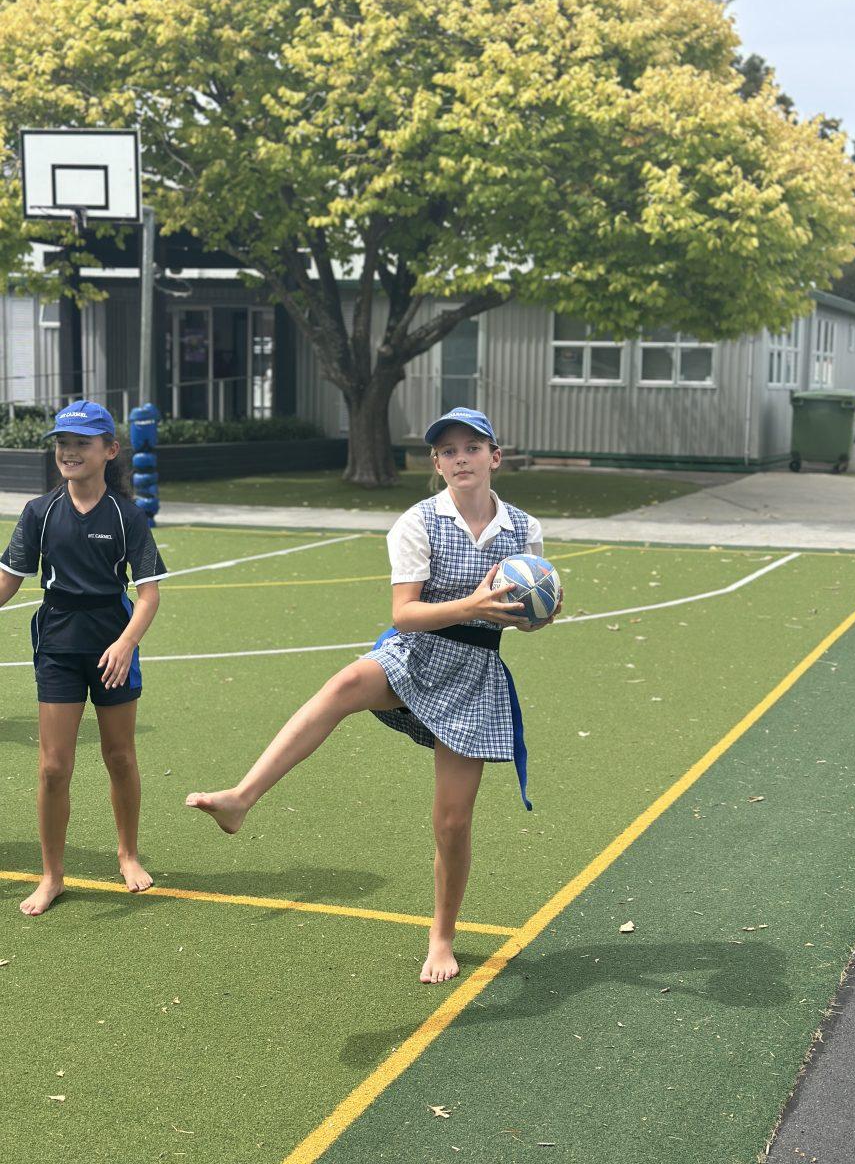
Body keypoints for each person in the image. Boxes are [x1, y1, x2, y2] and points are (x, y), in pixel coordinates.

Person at [186, 407, 560, 983]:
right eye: (449, 451)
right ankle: (240, 798)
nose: (461, 459)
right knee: (343, 684)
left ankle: (442, 935)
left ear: (495, 456)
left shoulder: (523, 529)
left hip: (473, 674)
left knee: (452, 822)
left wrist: (536, 617)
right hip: (415, 652)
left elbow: (521, 618)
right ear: (436, 463)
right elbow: (404, 614)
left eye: (472, 448)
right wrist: (473, 606)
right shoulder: (418, 522)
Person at [0, 401, 167, 915]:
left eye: (81, 443)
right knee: (53, 767)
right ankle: (52, 875)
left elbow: (149, 595)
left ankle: (127, 854)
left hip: (113, 646)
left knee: (119, 756)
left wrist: (126, 643)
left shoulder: (127, 515)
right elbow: (8, 581)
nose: (69, 452)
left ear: (109, 450)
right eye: (62, 443)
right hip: (57, 645)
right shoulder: (39, 512)